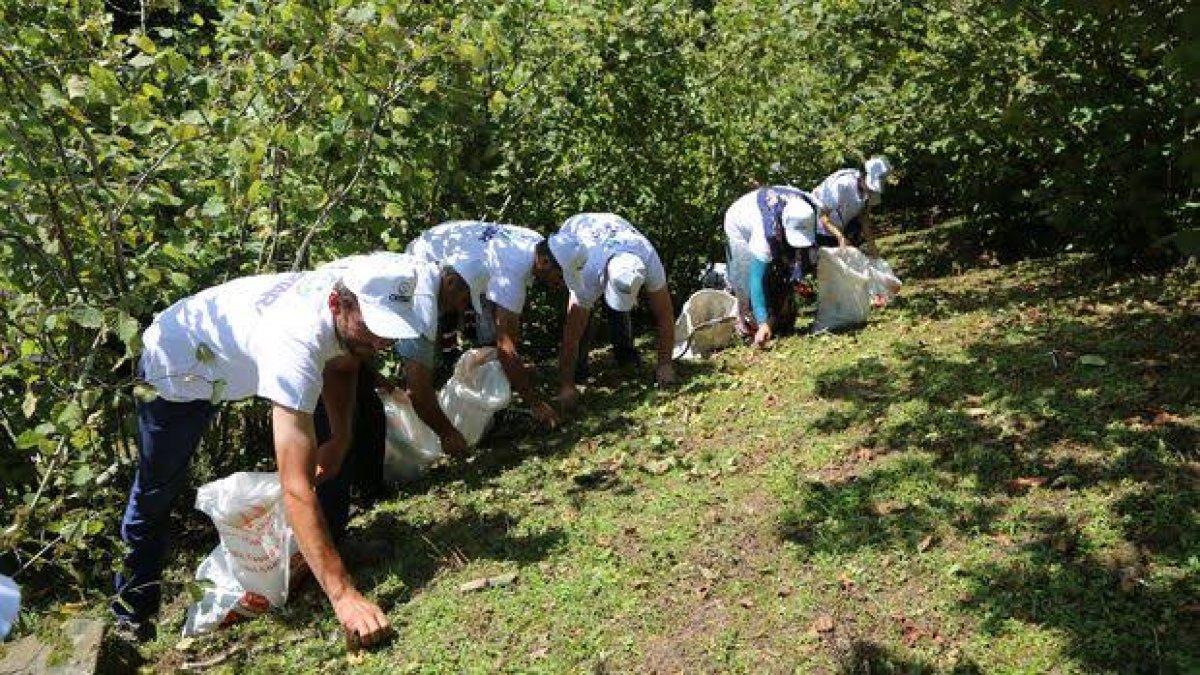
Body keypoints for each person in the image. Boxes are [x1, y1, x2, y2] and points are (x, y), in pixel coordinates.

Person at [114, 252, 470, 646]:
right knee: (156, 490)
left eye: (390, 330)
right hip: (177, 370)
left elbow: (344, 363)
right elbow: (295, 487)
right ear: (337, 304)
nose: (380, 342)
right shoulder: (295, 343)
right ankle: (132, 612)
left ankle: (332, 543)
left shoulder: (351, 294)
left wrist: (340, 439)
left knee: (330, 442)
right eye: (373, 327)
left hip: (230, 358)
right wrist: (344, 597)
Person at [406, 220, 582, 428]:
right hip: (429, 261)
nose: (561, 283)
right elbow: (506, 347)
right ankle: (439, 418)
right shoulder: (512, 271)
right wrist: (535, 404)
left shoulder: (537, 243)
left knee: (489, 343)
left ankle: (483, 407)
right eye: (561, 276)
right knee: (427, 353)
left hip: (462, 266)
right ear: (543, 262)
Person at [550, 212, 676, 409]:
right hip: (577, 230)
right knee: (581, 320)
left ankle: (626, 357)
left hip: (615, 229)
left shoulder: (648, 257)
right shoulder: (586, 272)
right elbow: (571, 335)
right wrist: (566, 385)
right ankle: (577, 372)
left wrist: (665, 364)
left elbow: (665, 315)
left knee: (618, 312)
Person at [723, 185, 824, 347]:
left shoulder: (808, 210)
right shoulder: (764, 232)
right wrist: (763, 322)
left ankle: (781, 312)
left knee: (787, 264)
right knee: (745, 279)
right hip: (738, 223)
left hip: (775, 213)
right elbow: (756, 279)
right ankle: (745, 322)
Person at [812, 155, 893, 255]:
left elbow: (864, 217)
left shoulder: (873, 191)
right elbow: (823, 216)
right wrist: (840, 237)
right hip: (819, 227)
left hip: (843, 224)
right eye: (869, 186)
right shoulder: (842, 184)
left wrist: (871, 245)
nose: (870, 190)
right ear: (863, 175)